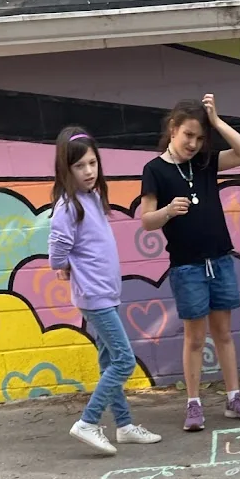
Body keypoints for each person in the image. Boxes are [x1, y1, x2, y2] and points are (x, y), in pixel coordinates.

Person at [139, 95, 240, 432]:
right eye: (188, 135)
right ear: (173, 129)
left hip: (220, 259)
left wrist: (217, 121)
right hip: (187, 266)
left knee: (224, 333)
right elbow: (146, 219)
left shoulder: (205, 161)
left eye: (199, 137)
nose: (193, 143)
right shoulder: (155, 170)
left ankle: (234, 398)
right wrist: (166, 212)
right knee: (195, 338)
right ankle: (193, 404)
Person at [48, 127, 162, 456]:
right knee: (125, 361)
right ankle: (88, 422)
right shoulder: (68, 206)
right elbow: (57, 248)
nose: (88, 171)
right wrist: (64, 265)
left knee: (109, 359)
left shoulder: (93, 198)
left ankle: (124, 426)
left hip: (106, 293)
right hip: (94, 297)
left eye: (92, 163)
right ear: (66, 170)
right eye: (80, 166)